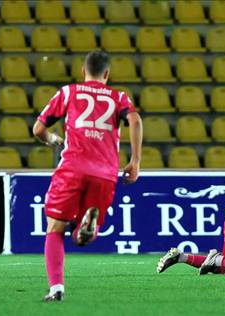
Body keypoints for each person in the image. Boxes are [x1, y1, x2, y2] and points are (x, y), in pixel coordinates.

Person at [33, 50, 142, 301]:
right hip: (105, 172)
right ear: (107, 74)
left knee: (54, 227)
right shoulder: (119, 97)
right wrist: (135, 161)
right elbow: (134, 120)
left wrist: (53, 139)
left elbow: (39, 129)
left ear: (83, 72)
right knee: (83, 240)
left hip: (73, 166)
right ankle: (87, 225)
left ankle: (56, 288)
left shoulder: (69, 92)